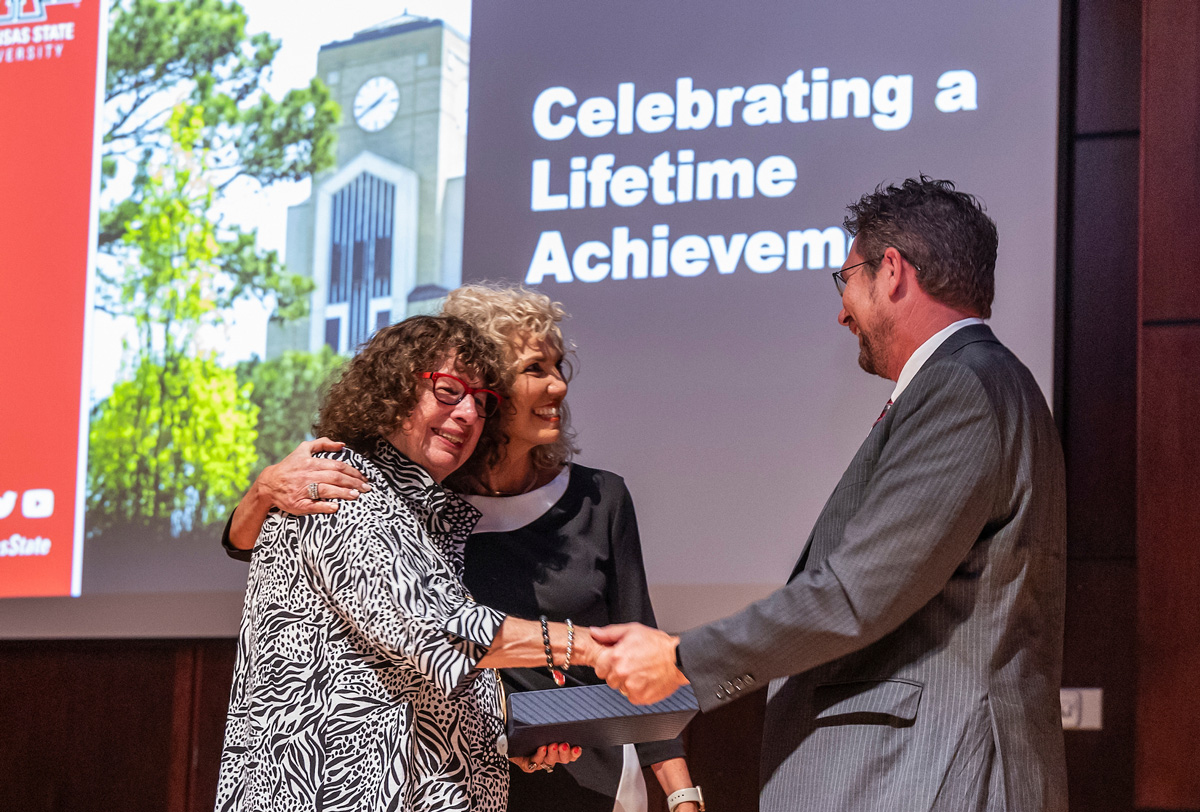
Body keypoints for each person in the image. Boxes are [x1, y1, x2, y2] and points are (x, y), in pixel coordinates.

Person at [591, 177, 1069, 812]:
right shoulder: (986, 382)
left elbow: (855, 596)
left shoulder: (960, 387)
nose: (842, 311)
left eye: (845, 279)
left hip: (932, 773)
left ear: (891, 272)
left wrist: (683, 659)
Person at [223, 287, 701, 812]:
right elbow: (438, 631)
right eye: (449, 390)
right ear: (393, 390)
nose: (468, 413)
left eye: (481, 400)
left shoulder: (430, 510)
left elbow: (414, 673)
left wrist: (502, 744)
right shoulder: (345, 484)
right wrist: (591, 647)